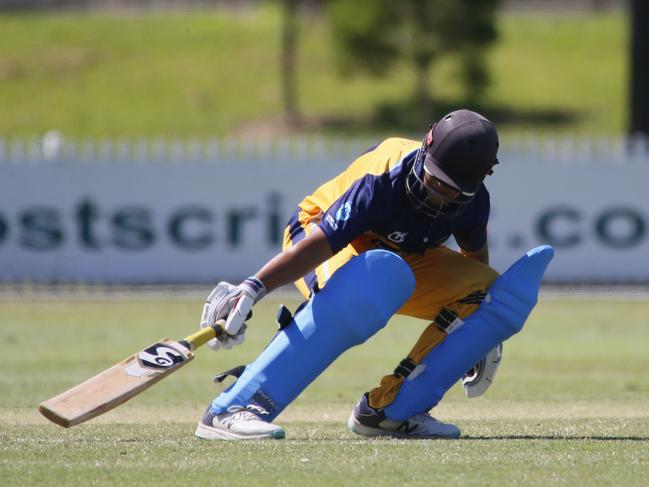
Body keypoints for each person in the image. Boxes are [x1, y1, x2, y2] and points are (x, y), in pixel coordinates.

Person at [193, 109, 554, 441]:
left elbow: (475, 269)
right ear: (426, 142)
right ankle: (235, 406)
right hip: (320, 232)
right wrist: (254, 287)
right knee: (359, 291)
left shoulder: (476, 203)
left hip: (401, 258)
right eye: (433, 179)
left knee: (491, 297)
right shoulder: (384, 175)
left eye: (451, 193)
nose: (435, 197)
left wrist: (478, 337)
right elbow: (323, 242)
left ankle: (391, 411)